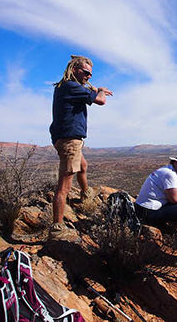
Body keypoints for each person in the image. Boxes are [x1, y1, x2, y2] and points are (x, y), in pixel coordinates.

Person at [48, 55, 113, 241]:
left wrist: (93, 88)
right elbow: (100, 101)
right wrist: (99, 90)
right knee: (64, 187)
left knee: (83, 166)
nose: (88, 76)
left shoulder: (67, 86)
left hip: (69, 139)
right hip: (70, 141)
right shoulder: (70, 86)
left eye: (91, 74)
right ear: (75, 69)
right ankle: (57, 228)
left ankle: (86, 195)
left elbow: (90, 91)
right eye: (86, 72)